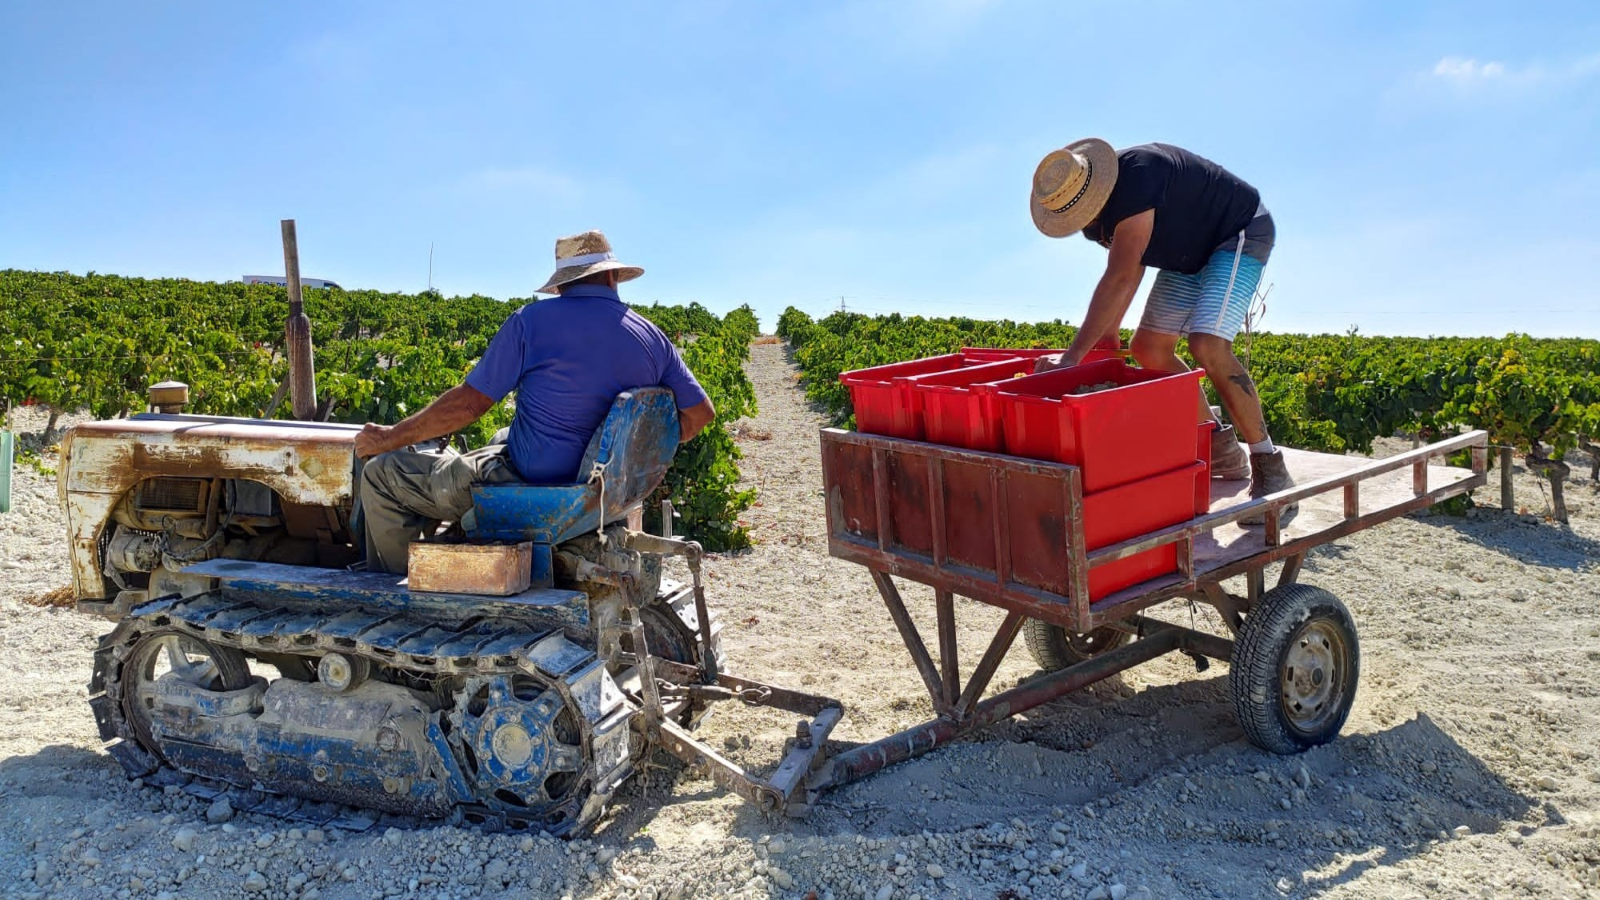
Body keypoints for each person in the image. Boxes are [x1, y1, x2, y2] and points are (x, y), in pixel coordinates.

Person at [353, 230, 717, 573]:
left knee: (381, 474)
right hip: (604, 493)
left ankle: (404, 593)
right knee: (501, 435)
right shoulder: (651, 336)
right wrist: (628, 450)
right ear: (611, 278)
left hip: (540, 489)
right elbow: (701, 414)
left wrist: (388, 438)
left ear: (561, 285)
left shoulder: (531, 322)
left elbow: (468, 406)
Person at [1028, 139, 1293, 521]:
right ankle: (1220, 445)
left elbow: (1121, 276)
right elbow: (1127, 267)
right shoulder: (1098, 220)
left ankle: (1271, 468)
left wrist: (1071, 359)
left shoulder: (1139, 175)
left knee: (1208, 344)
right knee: (1149, 348)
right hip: (1189, 254)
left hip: (1238, 231)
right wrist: (1110, 332)